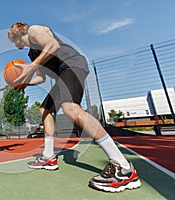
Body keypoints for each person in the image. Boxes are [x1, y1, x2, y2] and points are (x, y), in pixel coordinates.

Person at [8, 22, 141, 192]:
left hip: (72, 64)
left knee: (70, 107)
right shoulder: (32, 54)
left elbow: (53, 45)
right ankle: (48, 157)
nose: (14, 44)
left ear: (16, 35)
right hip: (63, 74)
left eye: (13, 41)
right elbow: (40, 78)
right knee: (45, 109)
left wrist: (32, 67)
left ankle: (124, 168)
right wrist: (24, 83)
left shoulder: (34, 30)